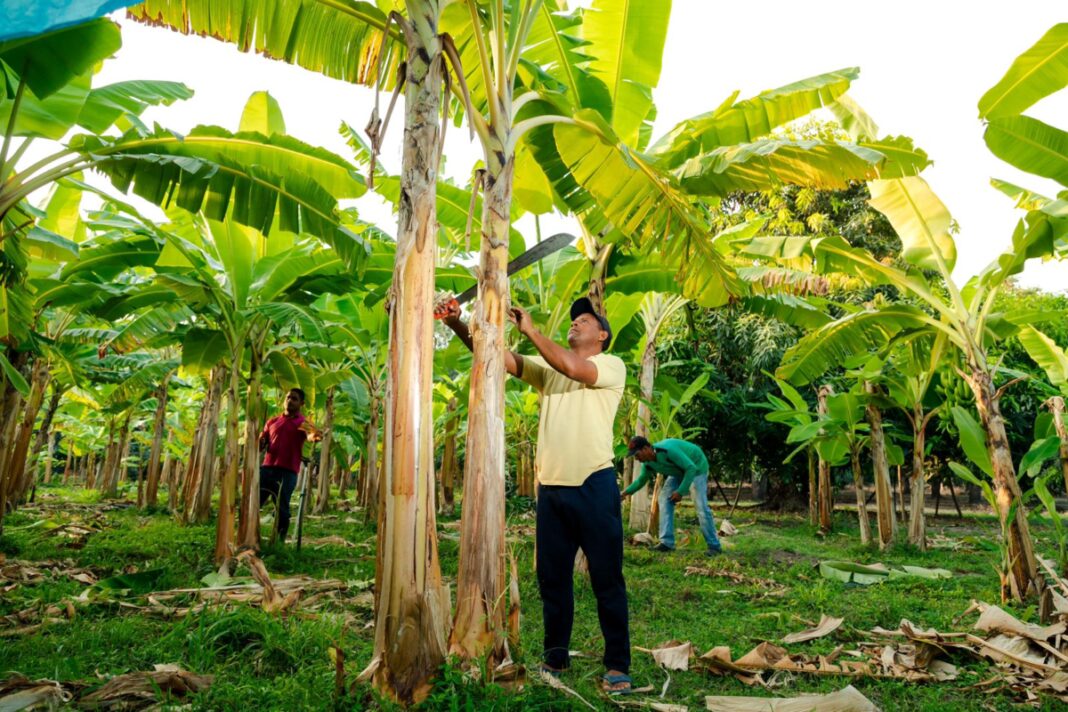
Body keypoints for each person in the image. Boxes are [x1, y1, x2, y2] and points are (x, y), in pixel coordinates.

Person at [441, 296, 635, 695]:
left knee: (607, 580)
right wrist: (458, 323)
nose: (575, 323)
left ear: (602, 336)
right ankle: (555, 657)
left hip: (594, 485)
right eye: (574, 320)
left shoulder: (610, 366)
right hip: (551, 490)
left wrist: (530, 330)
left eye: (585, 320)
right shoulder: (549, 369)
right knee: (552, 580)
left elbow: (574, 368)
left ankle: (618, 664)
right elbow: (496, 358)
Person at [621, 436, 722, 556]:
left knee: (701, 507)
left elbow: (691, 468)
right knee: (664, 499)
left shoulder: (667, 451)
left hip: (696, 466)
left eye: (637, 455)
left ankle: (714, 546)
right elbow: (640, 481)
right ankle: (667, 543)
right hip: (678, 471)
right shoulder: (648, 464)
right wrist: (624, 493)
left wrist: (680, 491)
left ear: (646, 449)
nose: (636, 459)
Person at [258, 387, 320, 543]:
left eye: (294, 399)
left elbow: (311, 435)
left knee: (282, 508)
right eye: (288, 397)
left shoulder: (303, 422)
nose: (290, 401)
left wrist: (315, 436)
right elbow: (261, 443)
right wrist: (260, 442)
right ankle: (250, 535)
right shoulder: (272, 421)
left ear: (301, 404)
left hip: (287, 472)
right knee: (254, 502)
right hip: (267, 469)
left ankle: (279, 541)